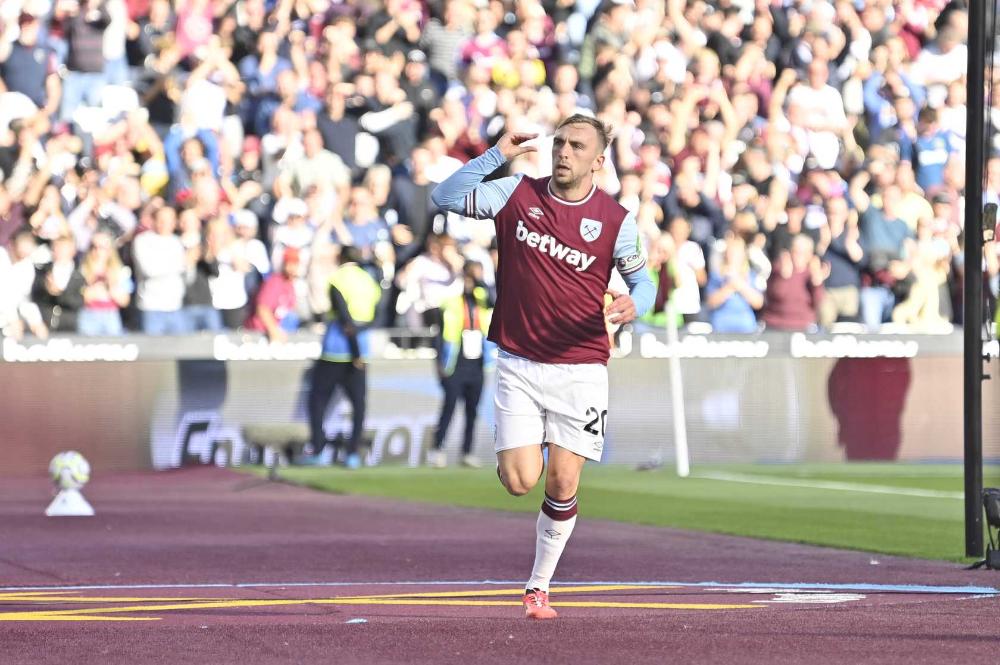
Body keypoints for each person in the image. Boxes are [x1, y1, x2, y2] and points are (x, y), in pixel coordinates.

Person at [431, 115, 655, 620]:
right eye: (560, 143)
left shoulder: (616, 221)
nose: (564, 152)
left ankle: (538, 587)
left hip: (580, 368)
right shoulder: (515, 193)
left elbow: (645, 282)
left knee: (562, 481)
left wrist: (636, 303)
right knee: (518, 481)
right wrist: (495, 155)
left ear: (598, 160)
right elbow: (444, 197)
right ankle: (515, 452)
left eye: (577, 146)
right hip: (518, 362)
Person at [307, 246, 382, 470]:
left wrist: (354, 348)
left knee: (318, 400)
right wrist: (360, 347)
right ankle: (352, 454)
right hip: (363, 348)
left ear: (340, 258)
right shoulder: (369, 281)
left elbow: (343, 317)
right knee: (359, 405)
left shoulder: (337, 279)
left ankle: (319, 450)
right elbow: (376, 315)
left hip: (336, 350)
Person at [427, 260, 495, 469]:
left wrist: (480, 282)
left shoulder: (483, 301)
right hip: (455, 362)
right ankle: (437, 448)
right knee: (449, 407)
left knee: (472, 410)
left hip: (478, 363)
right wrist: (438, 361)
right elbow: (437, 333)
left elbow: (494, 299)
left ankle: (467, 451)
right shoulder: (451, 302)